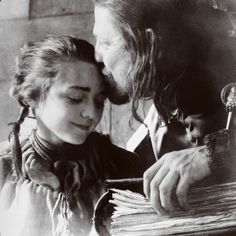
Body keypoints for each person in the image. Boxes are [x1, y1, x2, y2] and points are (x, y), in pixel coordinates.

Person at [93, 0, 236, 215]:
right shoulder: (162, 112)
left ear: (149, 43)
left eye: (105, 42)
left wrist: (213, 155)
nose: (97, 54)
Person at [0, 35, 145, 236]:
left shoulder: (125, 167)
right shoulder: (4, 170)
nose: (91, 113)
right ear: (32, 96)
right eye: (75, 98)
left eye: (99, 101)